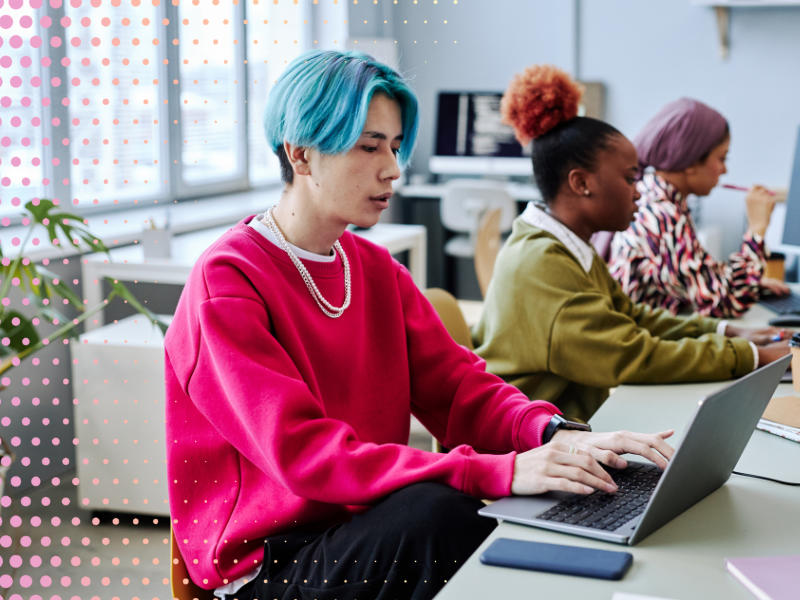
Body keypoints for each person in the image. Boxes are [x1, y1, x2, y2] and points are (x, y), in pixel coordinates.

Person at [164, 51, 676, 600]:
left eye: (393, 145)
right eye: (368, 146)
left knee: (548, 498)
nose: (393, 168)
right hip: (271, 565)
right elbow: (305, 455)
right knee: (448, 506)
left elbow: (462, 389)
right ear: (302, 154)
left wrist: (558, 436)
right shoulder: (229, 279)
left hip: (365, 524)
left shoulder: (376, 269)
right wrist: (495, 472)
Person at [472, 65, 790, 423]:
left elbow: (632, 317)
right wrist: (753, 356)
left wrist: (730, 332)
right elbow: (631, 355)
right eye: (629, 178)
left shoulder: (566, 245)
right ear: (581, 183)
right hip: (521, 445)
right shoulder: (543, 264)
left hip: (566, 424)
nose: (640, 190)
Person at [608, 98, 789, 318]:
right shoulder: (662, 214)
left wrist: (754, 285)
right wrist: (757, 229)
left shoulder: (655, 197)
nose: (724, 170)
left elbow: (696, 278)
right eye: (722, 158)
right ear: (691, 162)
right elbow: (726, 305)